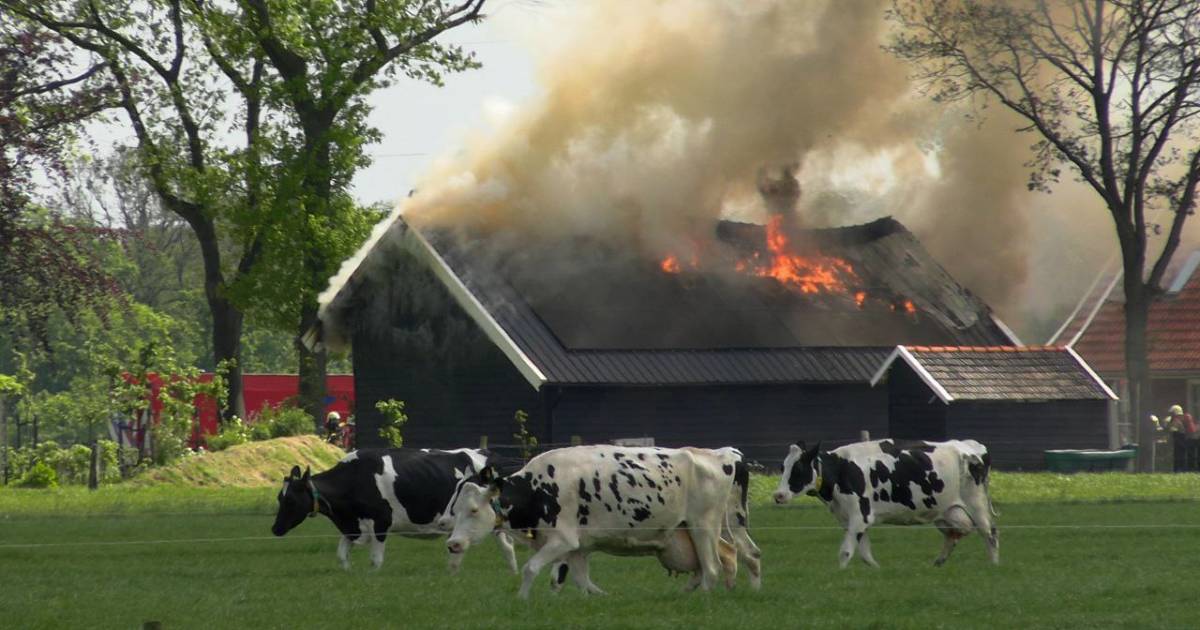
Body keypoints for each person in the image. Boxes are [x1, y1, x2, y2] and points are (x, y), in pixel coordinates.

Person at [1163, 404, 1198, 471]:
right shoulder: (1181, 419)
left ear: (1175, 413)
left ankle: (1180, 469)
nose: (1171, 415)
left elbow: (1173, 430)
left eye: (1172, 413)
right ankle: (1188, 469)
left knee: (1180, 456)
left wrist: (1166, 427)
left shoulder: (1177, 420)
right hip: (1189, 439)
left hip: (1182, 440)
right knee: (1188, 456)